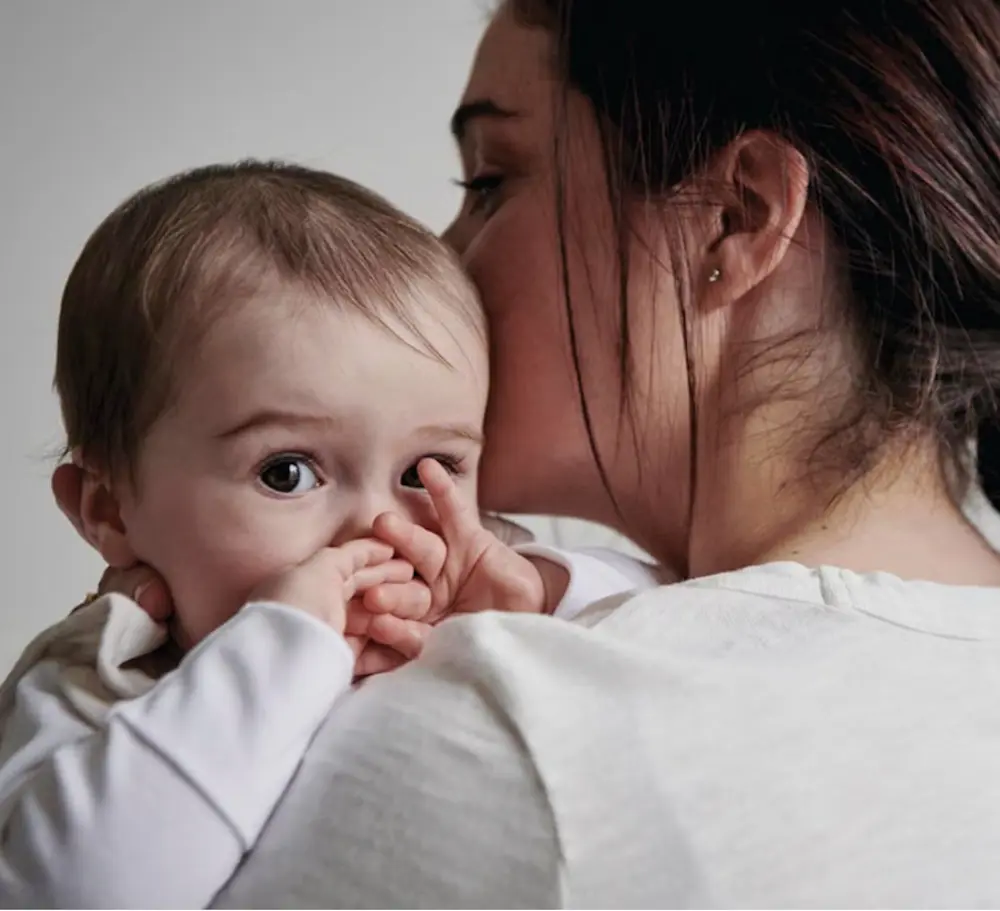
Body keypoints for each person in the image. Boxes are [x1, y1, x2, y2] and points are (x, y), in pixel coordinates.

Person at [49, 0, 1000, 905]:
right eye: (287, 471)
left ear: (734, 217)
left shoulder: (516, 739)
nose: (440, 258)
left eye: (489, 182)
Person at [0, 161, 663, 907]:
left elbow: (674, 605)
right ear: (110, 509)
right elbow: (76, 888)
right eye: (287, 473)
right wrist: (282, 645)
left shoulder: (467, 576)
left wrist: (540, 588)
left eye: (428, 468)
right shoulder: (97, 677)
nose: (377, 527)